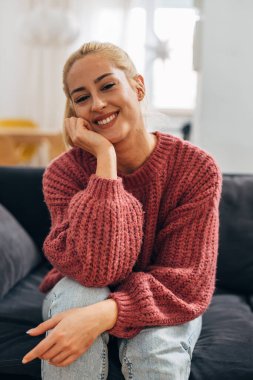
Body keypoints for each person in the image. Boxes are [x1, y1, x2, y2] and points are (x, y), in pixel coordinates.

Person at [22, 41, 222, 380]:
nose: (97, 104)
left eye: (107, 85)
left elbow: (186, 281)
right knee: (78, 295)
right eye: (82, 97)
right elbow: (96, 272)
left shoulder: (195, 168)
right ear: (75, 112)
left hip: (164, 299)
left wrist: (106, 313)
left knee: (155, 347)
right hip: (81, 287)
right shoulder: (64, 174)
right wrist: (105, 162)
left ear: (138, 86)